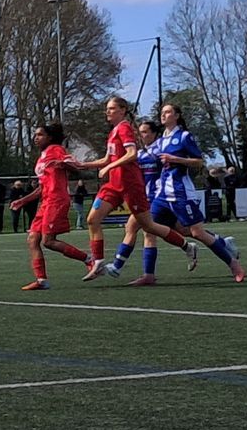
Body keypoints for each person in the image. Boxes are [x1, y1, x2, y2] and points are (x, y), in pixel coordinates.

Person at [75, 96, 196, 278]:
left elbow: (131, 154)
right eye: (107, 108)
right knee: (92, 219)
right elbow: (108, 159)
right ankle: (98, 262)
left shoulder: (124, 128)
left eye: (112, 108)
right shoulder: (113, 131)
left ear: (123, 110)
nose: (108, 111)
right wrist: (83, 165)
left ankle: (187, 246)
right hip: (113, 185)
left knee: (149, 226)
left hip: (131, 185)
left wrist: (109, 167)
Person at [13, 123, 93, 290]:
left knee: (48, 241)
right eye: (35, 135)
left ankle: (88, 260)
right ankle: (41, 280)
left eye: (40, 135)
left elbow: (75, 167)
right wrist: (23, 200)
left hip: (57, 200)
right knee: (33, 240)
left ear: (50, 137)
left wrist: (62, 163)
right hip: (46, 201)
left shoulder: (56, 149)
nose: (36, 138)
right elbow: (42, 187)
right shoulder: (42, 156)